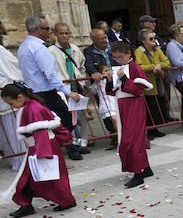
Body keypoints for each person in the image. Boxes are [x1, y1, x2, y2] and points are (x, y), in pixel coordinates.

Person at [1, 82, 76, 217]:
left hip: (42, 147)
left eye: (11, 103)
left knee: (51, 177)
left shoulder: (33, 108)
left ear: (19, 97)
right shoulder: (30, 106)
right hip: (39, 147)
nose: (12, 107)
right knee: (33, 177)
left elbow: (40, 131)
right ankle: (27, 203)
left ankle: (64, 201)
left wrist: (42, 152)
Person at [16, 16, 84, 161]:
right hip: (44, 93)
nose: (50, 31)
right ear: (39, 30)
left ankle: (51, 148)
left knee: (45, 123)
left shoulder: (24, 47)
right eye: (47, 28)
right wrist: (68, 92)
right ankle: (52, 147)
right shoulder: (38, 48)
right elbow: (51, 75)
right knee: (64, 119)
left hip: (33, 92)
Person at [106, 41, 154, 188]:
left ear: (128, 54)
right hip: (123, 106)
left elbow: (139, 90)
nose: (118, 60)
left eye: (120, 57)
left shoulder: (134, 68)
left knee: (133, 139)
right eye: (115, 58)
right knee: (128, 136)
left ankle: (138, 173)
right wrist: (109, 81)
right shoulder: (120, 67)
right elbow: (112, 90)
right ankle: (146, 168)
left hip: (134, 105)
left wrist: (124, 79)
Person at [49, 22, 91, 153]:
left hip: (77, 87)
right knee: (68, 119)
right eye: (61, 33)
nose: (64, 36)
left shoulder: (74, 48)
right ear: (55, 34)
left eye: (66, 33)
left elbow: (82, 65)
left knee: (80, 118)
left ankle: (81, 143)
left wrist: (82, 80)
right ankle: (72, 147)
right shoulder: (50, 51)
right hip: (63, 89)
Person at [83, 28, 119, 147]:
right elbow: (88, 64)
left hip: (117, 81)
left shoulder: (113, 46)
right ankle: (114, 134)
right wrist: (94, 73)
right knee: (106, 111)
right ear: (93, 40)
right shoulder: (89, 51)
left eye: (105, 37)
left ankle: (122, 131)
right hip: (102, 84)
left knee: (119, 106)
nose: (104, 40)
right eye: (101, 38)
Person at [134, 28, 171, 138]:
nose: (154, 40)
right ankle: (150, 130)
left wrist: (160, 66)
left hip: (158, 82)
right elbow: (138, 66)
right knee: (149, 107)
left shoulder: (157, 50)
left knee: (158, 106)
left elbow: (167, 62)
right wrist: (153, 67)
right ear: (143, 41)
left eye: (154, 38)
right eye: (151, 39)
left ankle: (155, 129)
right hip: (147, 84)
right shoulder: (139, 51)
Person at [0, 29, 27, 171]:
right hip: (4, 101)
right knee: (7, 133)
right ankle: (16, 160)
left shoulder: (1, 51)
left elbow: (16, 69)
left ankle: (21, 160)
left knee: (13, 131)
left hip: (8, 99)